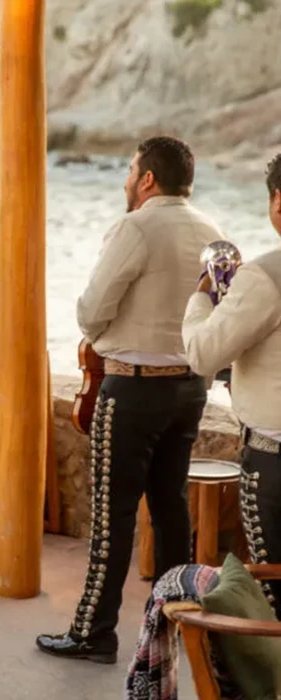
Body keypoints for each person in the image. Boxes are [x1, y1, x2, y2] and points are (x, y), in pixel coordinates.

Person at [36, 136, 223, 663]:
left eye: (129, 171)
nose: (125, 180)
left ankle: (93, 632)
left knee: (112, 516)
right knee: (170, 509)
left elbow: (93, 310)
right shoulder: (214, 231)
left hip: (134, 387)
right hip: (189, 388)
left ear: (147, 179)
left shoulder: (134, 227)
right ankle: (172, 623)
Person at [182, 153, 281, 618]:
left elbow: (204, 353)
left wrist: (203, 297)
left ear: (277, 203)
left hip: (274, 460)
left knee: (273, 596)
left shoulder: (265, 276)